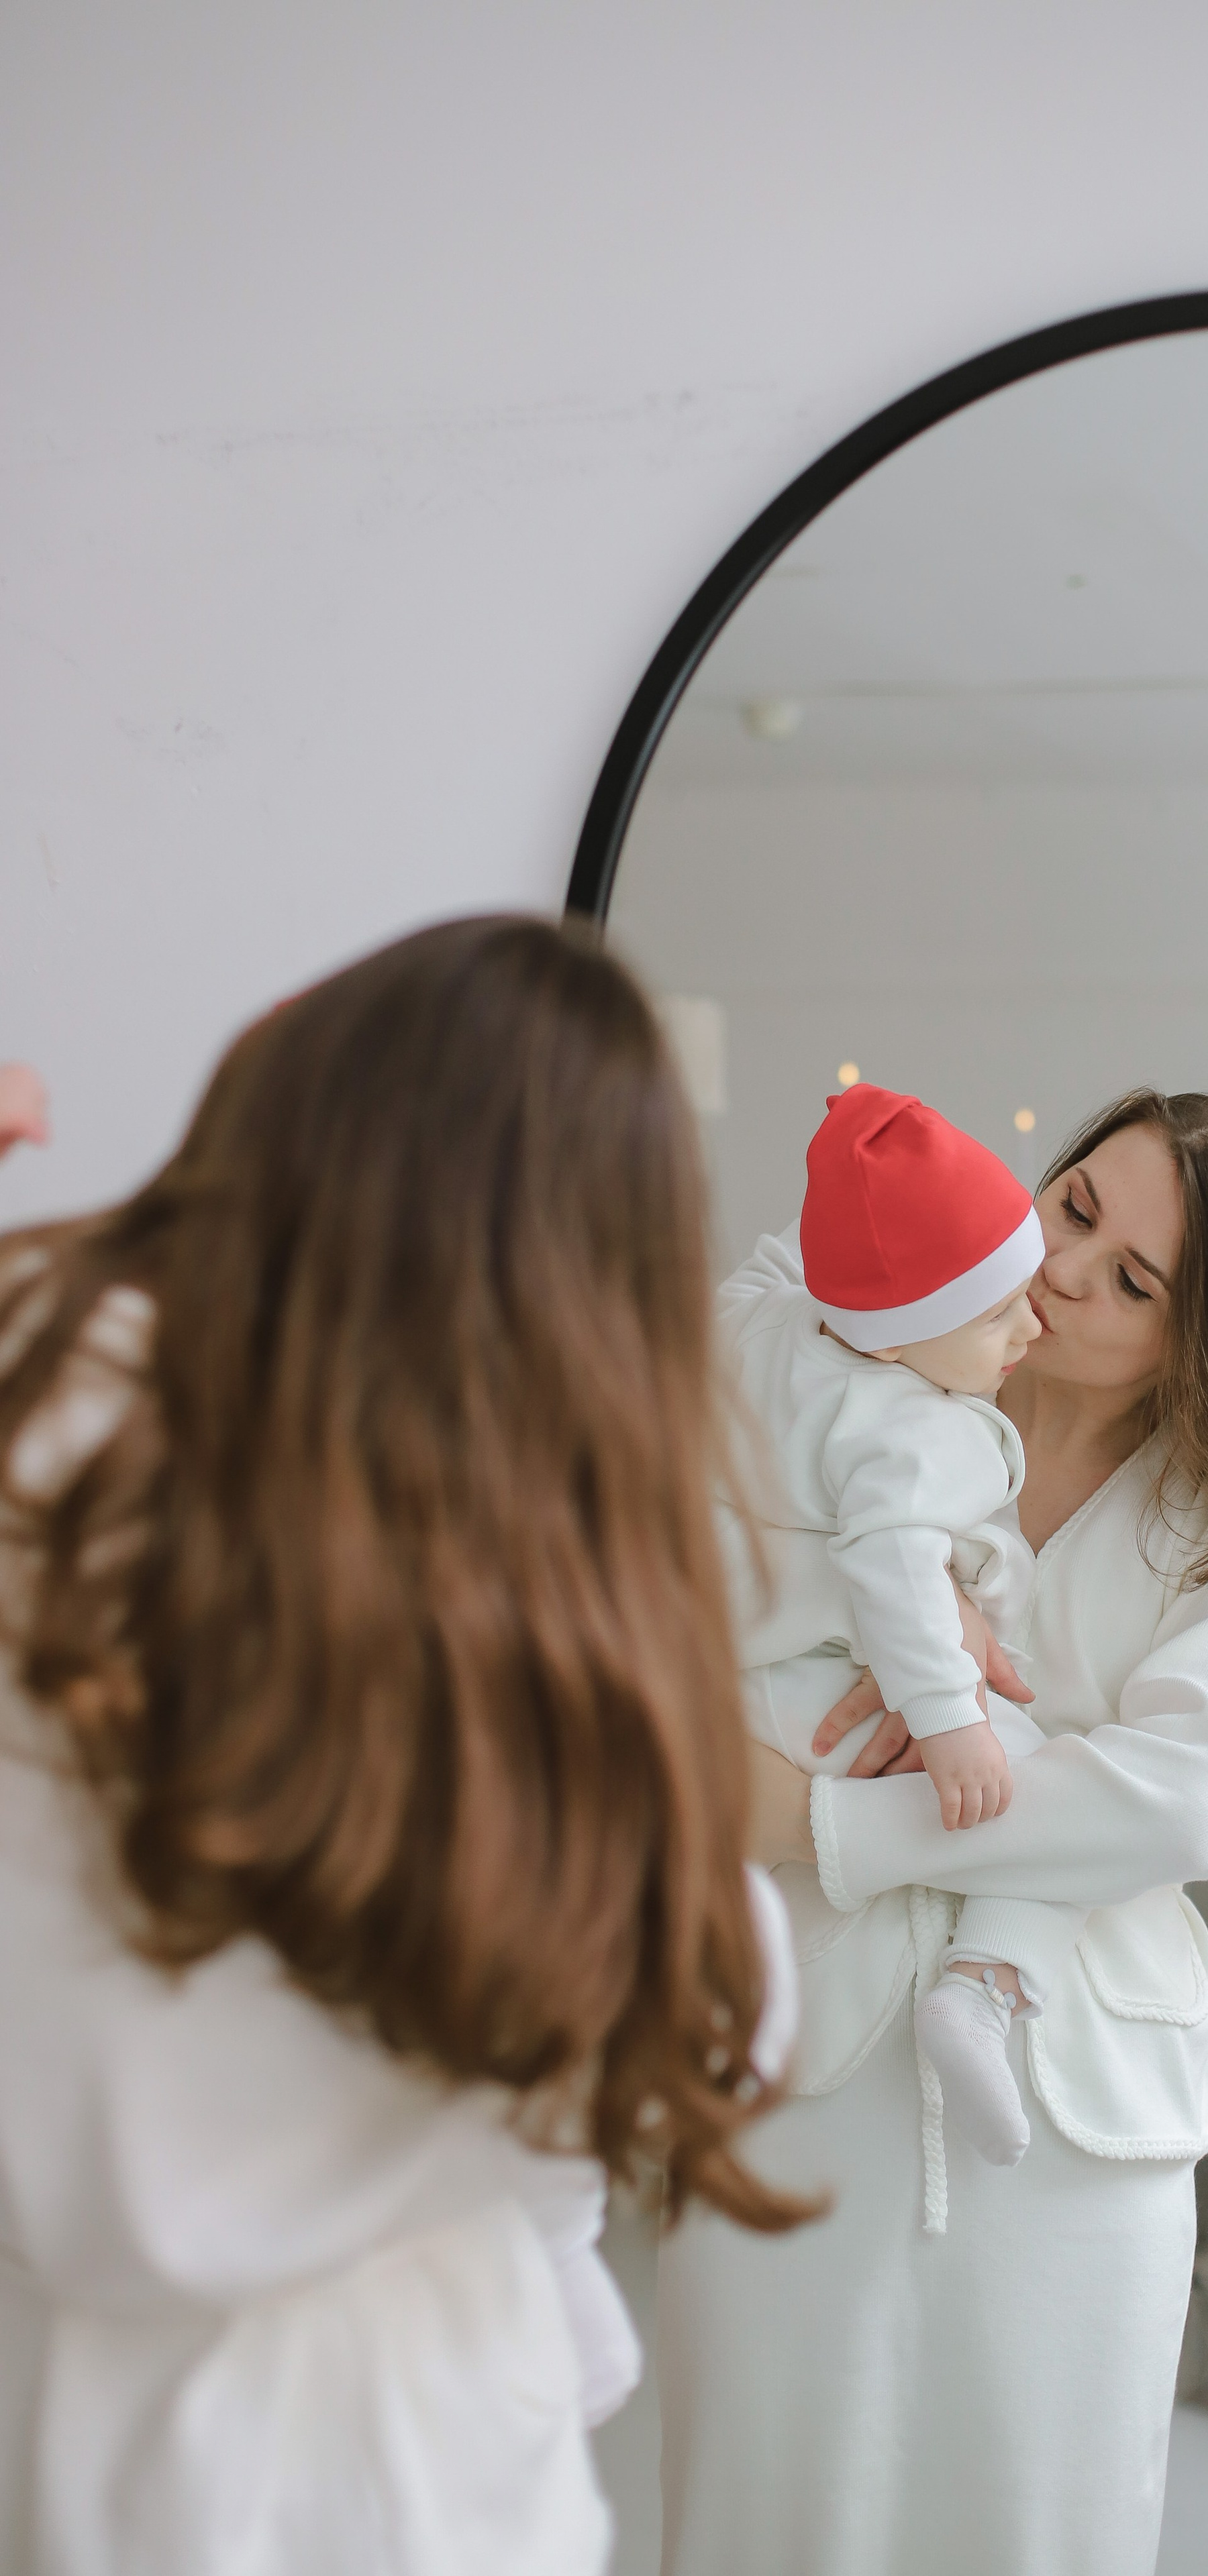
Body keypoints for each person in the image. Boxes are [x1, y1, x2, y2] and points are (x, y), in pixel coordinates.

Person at [0, 919, 801, 2576]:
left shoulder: (65, 1458)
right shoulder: (555, 1652)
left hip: (140, 2434)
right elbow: (726, 2017)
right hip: (427, 2457)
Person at [658, 1086, 1208, 2576]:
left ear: (1205, 1338)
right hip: (790, 2062)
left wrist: (827, 1820)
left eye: (1133, 1280)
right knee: (757, 2522)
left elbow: (1186, 1798)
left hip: (1076, 2121)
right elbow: (662, 1500)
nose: (1064, 1272)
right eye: (1071, 1207)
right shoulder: (851, 1343)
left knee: (1030, 2534)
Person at [728, 1081, 1103, 2171]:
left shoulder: (760, 1326)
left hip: (741, 1679)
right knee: (1052, 1793)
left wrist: (879, 1202)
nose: (1031, 1323)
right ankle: (983, 1990)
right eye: (996, 1315)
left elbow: (785, 1264)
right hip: (821, 1698)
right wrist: (949, 1719)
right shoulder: (906, 1428)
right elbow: (892, 1564)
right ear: (895, 1343)